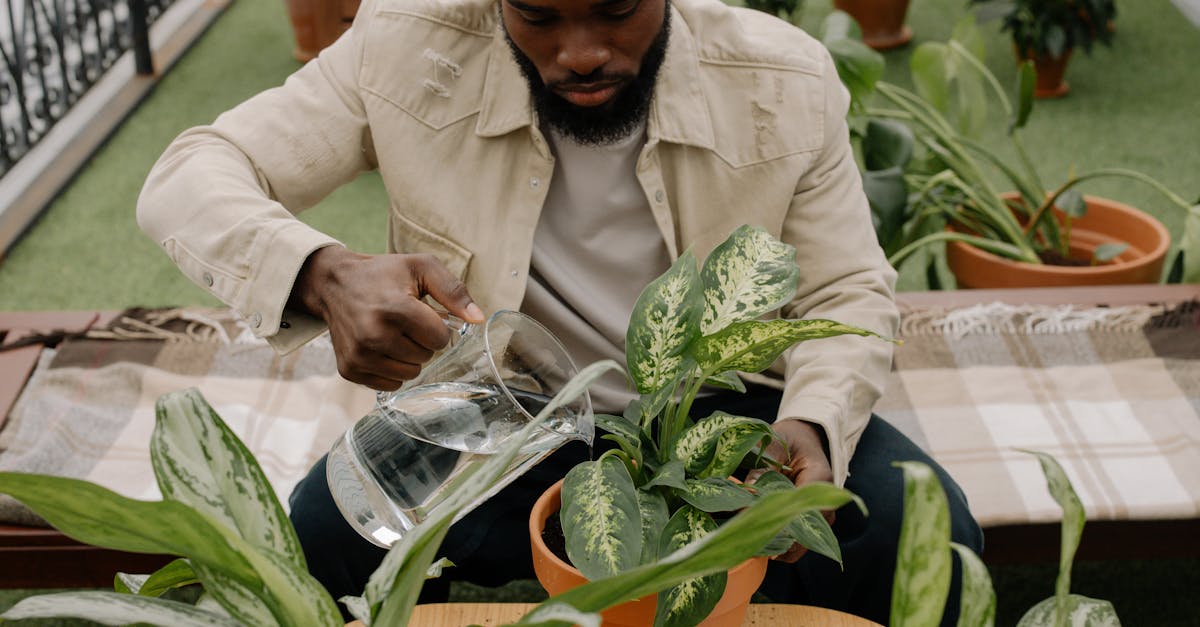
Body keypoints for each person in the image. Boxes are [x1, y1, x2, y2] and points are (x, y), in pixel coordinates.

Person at [137, 0, 983, 623]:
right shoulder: (402, 46)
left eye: (616, 10)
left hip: (726, 414)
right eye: (538, 16)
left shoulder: (785, 79)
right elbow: (190, 172)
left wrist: (813, 423)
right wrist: (322, 274)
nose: (580, 53)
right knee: (316, 541)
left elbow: (846, 288)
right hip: (495, 411)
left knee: (919, 530)